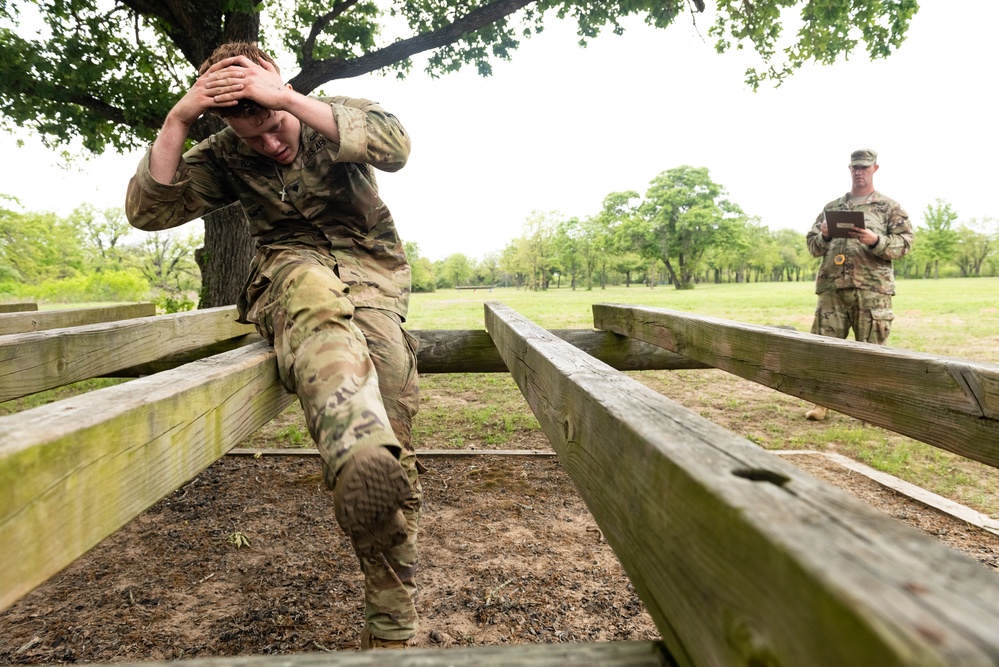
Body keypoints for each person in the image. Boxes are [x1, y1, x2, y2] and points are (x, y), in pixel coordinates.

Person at [125, 41, 422, 650]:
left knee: (390, 395)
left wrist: (289, 100)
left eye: (274, 126)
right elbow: (148, 212)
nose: (269, 144)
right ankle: (353, 446)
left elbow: (396, 147)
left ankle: (390, 612)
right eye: (250, 135)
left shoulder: (326, 113)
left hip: (373, 275)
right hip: (288, 273)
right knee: (313, 296)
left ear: (281, 90)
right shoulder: (225, 152)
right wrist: (179, 118)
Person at [803, 148, 914, 421]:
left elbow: (905, 244)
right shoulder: (832, 207)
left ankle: (871, 408)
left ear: (875, 169)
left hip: (872, 290)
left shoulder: (889, 208)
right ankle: (821, 403)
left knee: (872, 351)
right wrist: (825, 235)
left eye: (864, 167)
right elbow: (812, 246)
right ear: (849, 169)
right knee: (824, 348)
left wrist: (875, 240)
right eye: (855, 167)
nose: (859, 171)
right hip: (832, 289)